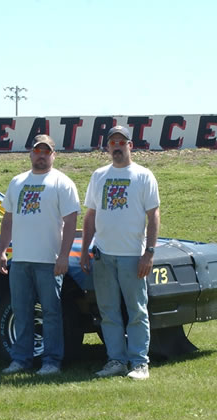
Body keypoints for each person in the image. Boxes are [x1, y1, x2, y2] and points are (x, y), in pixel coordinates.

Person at [80, 126, 160, 380]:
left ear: (130, 146)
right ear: (107, 147)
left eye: (121, 142)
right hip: (103, 255)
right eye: (112, 142)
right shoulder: (99, 176)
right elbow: (90, 216)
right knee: (108, 312)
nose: (117, 146)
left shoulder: (143, 176)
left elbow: (153, 215)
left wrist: (149, 252)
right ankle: (116, 360)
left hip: (132, 256)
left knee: (136, 311)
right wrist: (85, 249)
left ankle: (139, 363)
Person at [0, 134, 80, 376]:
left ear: (53, 155)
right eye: (37, 151)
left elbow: (71, 221)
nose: (41, 155)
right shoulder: (17, 182)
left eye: (46, 151)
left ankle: (51, 362)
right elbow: (8, 219)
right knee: (21, 311)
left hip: (49, 261)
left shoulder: (62, 183)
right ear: (31, 154)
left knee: (51, 313)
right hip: (20, 260)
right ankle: (20, 360)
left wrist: (63, 256)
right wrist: (2, 251)